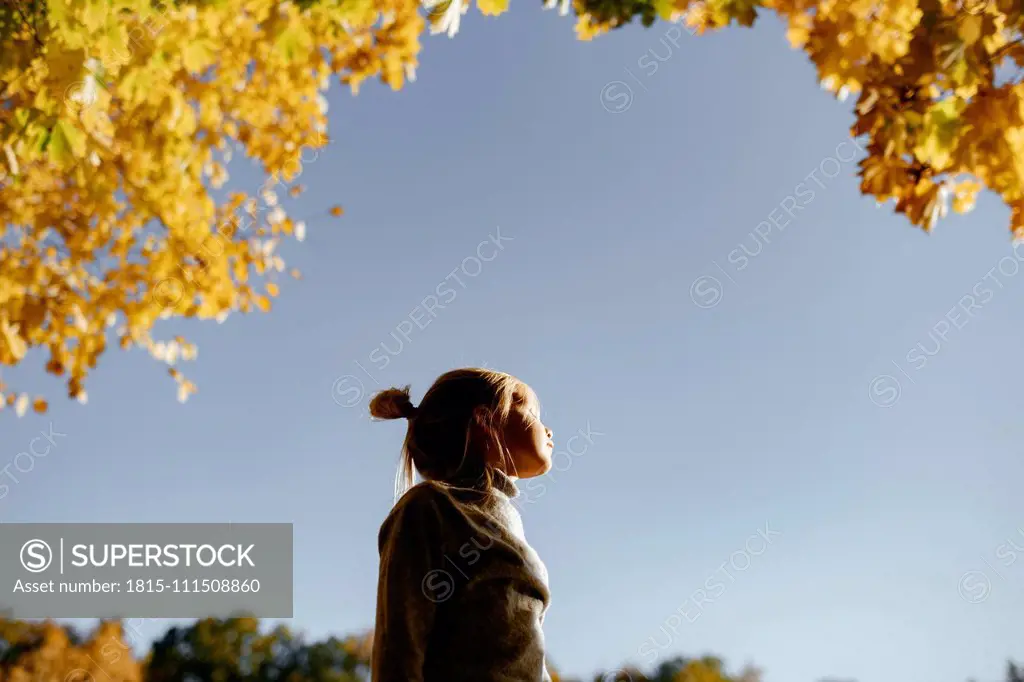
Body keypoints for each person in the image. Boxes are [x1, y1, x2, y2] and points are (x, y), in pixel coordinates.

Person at [369, 367, 555, 682]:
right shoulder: (429, 508)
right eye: (533, 413)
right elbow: (398, 646)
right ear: (485, 419)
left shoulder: (512, 529)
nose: (547, 430)